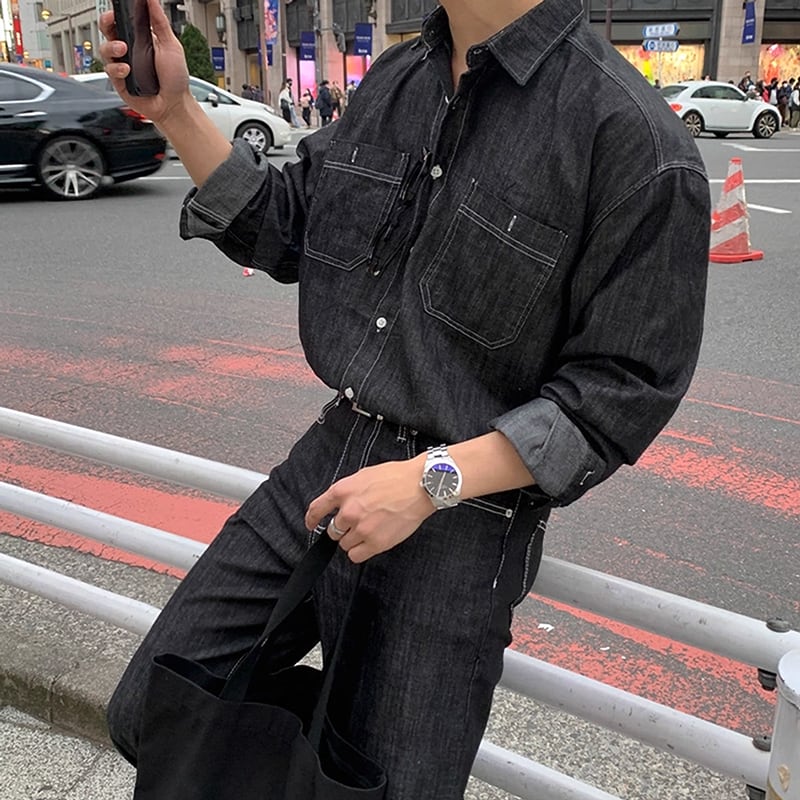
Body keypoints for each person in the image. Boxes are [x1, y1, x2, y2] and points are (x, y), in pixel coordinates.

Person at [98, 1, 710, 797]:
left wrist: (431, 481)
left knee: (386, 786)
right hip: (330, 460)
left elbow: (622, 390)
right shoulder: (398, 77)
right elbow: (287, 224)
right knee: (155, 710)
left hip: (464, 520)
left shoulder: (631, 139)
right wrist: (176, 109)